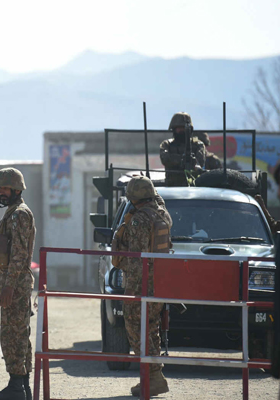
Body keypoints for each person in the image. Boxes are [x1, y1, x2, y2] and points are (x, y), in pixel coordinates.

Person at [113, 175, 172, 397]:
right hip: (159, 282)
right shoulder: (161, 213)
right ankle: (151, 377)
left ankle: (153, 377)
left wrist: (131, 290)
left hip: (141, 284)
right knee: (151, 328)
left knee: (136, 328)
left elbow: (137, 258)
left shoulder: (140, 220)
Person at [0, 167, 36, 400]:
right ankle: (22, 387)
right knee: (18, 335)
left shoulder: (19, 215)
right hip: (13, 283)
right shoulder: (13, 213)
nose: (1, 192)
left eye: (5, 188)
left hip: (14, 284)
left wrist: (9, 286)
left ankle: (17, 388)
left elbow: (18, 254)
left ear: (17, 189)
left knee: (12, 336)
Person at [159, 112, 206, 186]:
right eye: (179, 128)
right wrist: (182, 160)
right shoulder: (167, 144)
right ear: (174, 129)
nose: (181, 130)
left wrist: (190, 161)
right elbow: (165, 159)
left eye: (184, 128)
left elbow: (200, 161)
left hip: (193, 185)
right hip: (172, 185)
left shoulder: (198, 145)